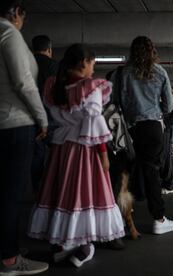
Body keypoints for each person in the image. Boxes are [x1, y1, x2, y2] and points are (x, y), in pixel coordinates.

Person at [27, 44, 125, 267]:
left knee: (61, 193)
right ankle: (85, 246)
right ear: (83, 62)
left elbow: (53, 118)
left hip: (61, 150)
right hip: (84, 150)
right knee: (86, 194)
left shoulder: (54, 86)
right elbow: (94, 122)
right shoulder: (89, 87)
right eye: (92, 63)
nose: (93, 68)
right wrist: (104, 154)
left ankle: (65, 243)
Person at [0, 1, 49, 275]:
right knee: (11, 194)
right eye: (23, 17)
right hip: (14, 123)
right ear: (15, 12)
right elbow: (23, 82)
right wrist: (41, 118)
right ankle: (9, 259)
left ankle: (7, 247)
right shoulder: (8, 33)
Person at [110, 36, 173, 234]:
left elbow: (115, 102)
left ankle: (120, 220)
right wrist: (155, 110)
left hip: (129, 130)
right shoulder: (160, 72)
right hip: (153, 128)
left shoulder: (121, 73)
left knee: (124, 175)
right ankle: (158, 218)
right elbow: (169, 106)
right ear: (152, 51)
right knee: (151, 173)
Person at [30, 34, 59, 192]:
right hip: (53, 118)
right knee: (57, 155)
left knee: (37, 155)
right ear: (49, 49)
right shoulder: (55, 66)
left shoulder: (26, 64)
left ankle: (38, 191)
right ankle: (54, 190)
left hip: (31, 117)